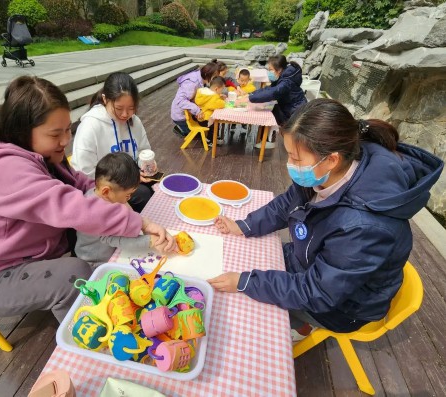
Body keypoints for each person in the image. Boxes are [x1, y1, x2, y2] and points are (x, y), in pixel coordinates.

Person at [0, 76, 175, 324]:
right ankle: (84, 337)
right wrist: (140, 223)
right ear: (23, 131)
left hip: (28, 253)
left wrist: (115, 199)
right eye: (55, 134)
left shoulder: (39, 153)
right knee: (74, 275)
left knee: (117, 213)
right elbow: (73, 208)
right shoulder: (2, 169)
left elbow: (83, 185)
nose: (65, 140)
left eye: (67, 130)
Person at [208, 98, 443, 340]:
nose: (289, 165)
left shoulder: (365, 226)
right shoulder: (331, 169)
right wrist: (244, 225)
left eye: (295, 159)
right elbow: (287, 203)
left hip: (341, 306)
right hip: (314, 266)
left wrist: (246, 283)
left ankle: (299, 325)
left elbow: (318, 292)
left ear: (331, 159)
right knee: (242, 266)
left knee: (244, 315)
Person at [71, 72, 154, 213]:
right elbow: (85, 173)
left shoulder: (135, 122)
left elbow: (142, 151)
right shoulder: (90, 126)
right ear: (105, 99)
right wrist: (125, 182)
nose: (125, 115)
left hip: (130, 184)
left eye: (131, 108)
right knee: (144, 196)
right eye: (119, 108)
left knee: (154, 188)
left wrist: (145, 164)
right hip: (104, 191)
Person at [76, 152, 172, 269]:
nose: (129, 198)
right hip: (95, 262)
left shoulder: (104, 195)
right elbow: (118, 240)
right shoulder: (95, 214)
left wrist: (143, 225)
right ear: (106, 191)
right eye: (128, 195)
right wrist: (151, 241)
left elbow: (126, 211)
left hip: (112, 248)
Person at [239, 55, 307, 125]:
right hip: (290, 108)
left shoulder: (286, 82)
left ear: (279, 69)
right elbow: (269, 89)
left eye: (271, 69)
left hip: (295, 112)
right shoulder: (285, 75)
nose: (269, 72)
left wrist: (249, 98)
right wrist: (250, 94)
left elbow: (274, 92)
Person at [171, 60, 221, 137]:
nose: (216, 80)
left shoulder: (201, 79)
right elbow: (180, 101)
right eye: (215, 77)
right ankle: (180, 129)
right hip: (182, 117)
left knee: (208, 125)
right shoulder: (192, 83)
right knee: (200, 135)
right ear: (207, 74)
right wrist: (197, 111)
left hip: (191, 113)